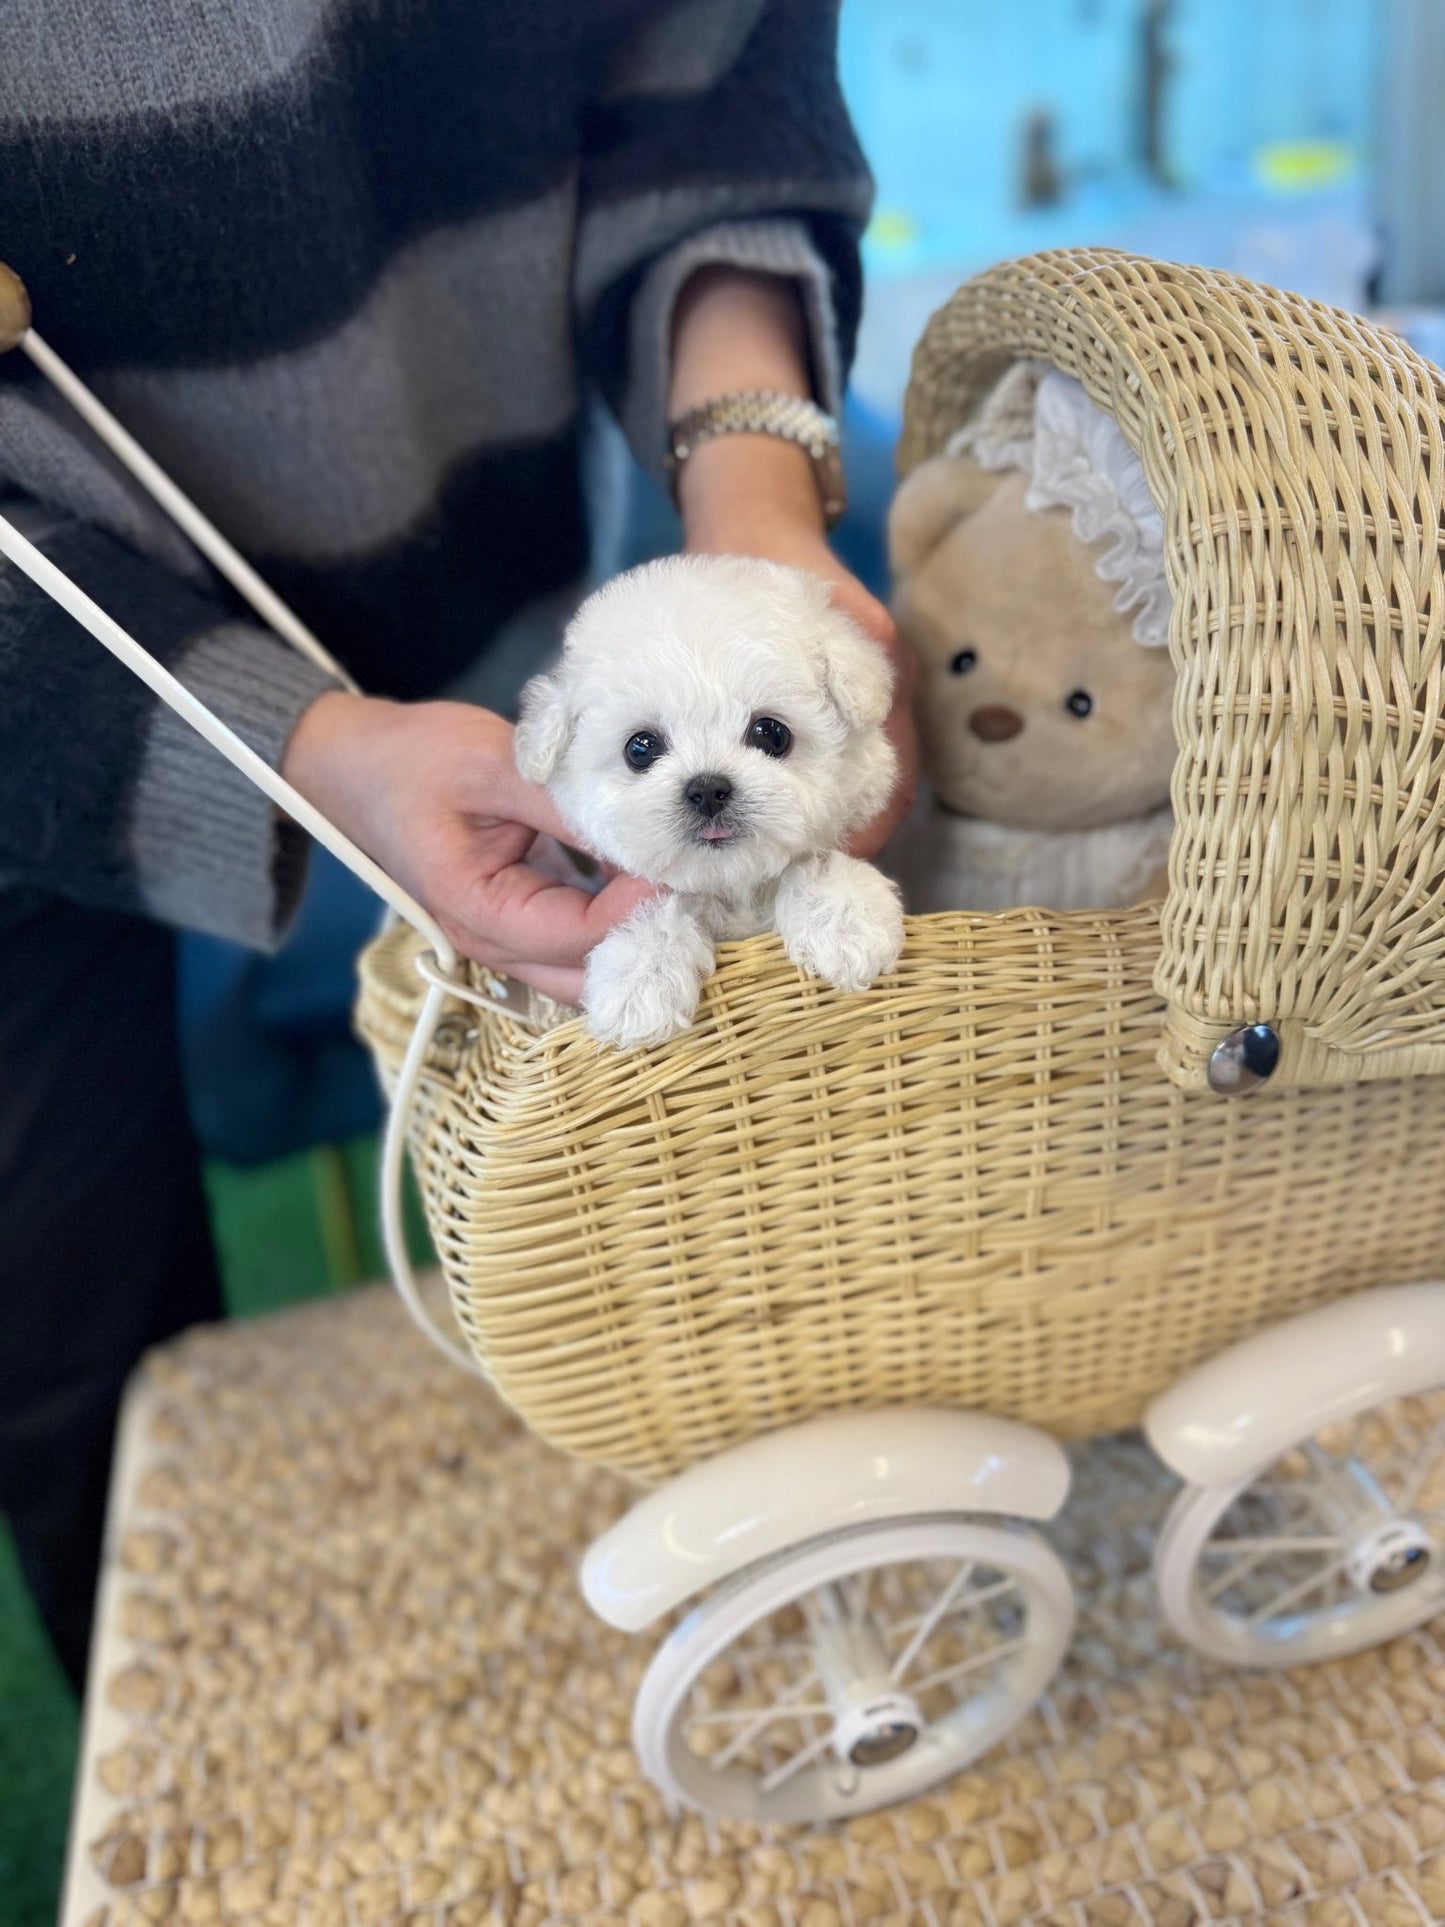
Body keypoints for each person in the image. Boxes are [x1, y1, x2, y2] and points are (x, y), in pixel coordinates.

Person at [0, 0, 917, 1689]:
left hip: (488, 565)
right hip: (26, 669)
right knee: (75, 1356)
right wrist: (304, 747)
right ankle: (211, 1726)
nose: (717, 780)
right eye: (661, 750)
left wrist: (758, 489)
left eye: (768, 738)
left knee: (610, 1201)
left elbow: (712, 74)